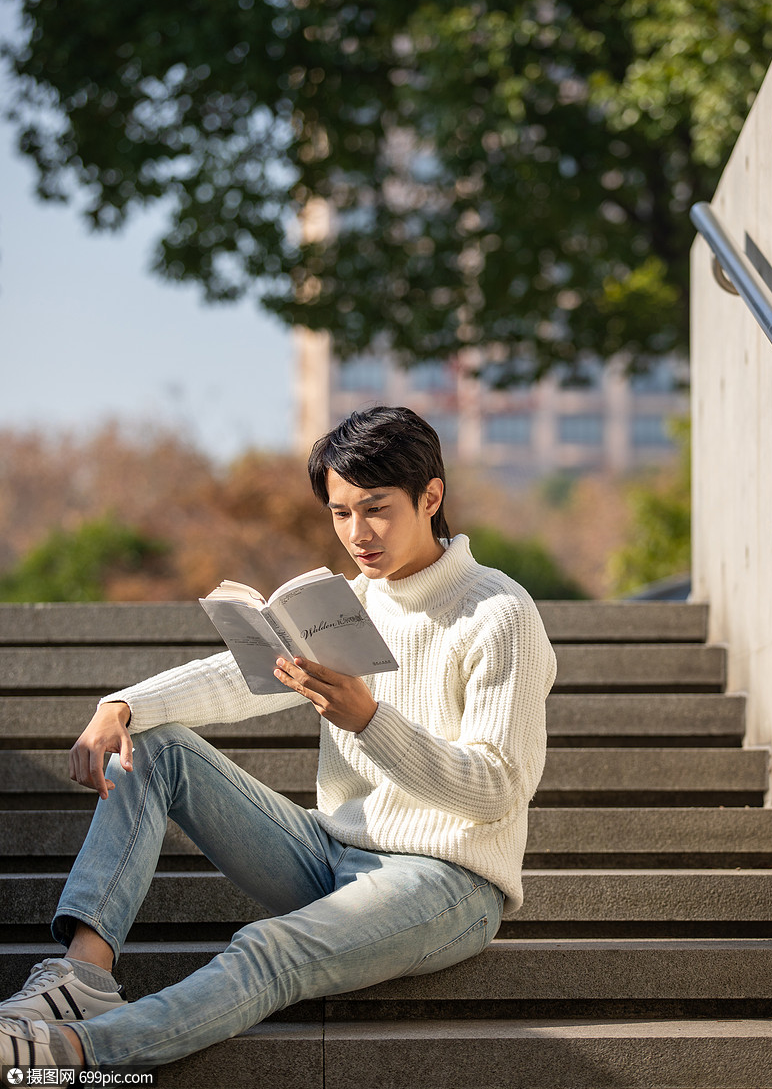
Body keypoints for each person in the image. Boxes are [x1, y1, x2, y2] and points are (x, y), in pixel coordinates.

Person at [0, 405, 556, 1071]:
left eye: (376, 509)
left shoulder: (498, 613)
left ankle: (71, 1052)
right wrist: (123, 704)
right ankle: (82, 979)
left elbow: (498, 789)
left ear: (431, 497)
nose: (357, 533)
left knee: (266, 948)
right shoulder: (349, 605)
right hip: (331, 854)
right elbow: (238, 678)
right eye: (340, 513)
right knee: (155, 745)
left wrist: (370, 721)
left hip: (449, 882)